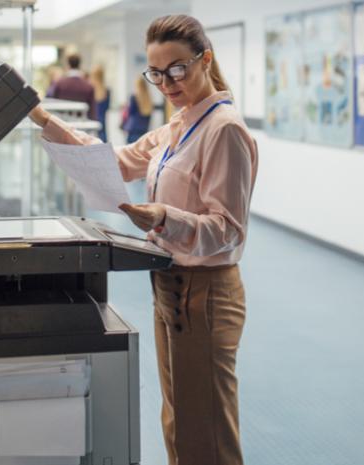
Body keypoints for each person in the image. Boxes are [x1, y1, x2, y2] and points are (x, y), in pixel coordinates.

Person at [27, 14, 257, 465]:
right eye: (156, 73)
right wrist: (41, 117)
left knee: (206, 434)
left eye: (177, 69)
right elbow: (112, 161)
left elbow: (227, 229)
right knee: (179, 422)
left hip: (205, 294)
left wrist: (164, 217)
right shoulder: (179, 125)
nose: (167, 83)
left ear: (204, 60)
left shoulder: (223, 129)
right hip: (170, 289)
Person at [47, 53, 97, 120]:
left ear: (68, 65)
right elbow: (92, 111)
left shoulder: (59, 84)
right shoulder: (88, 86)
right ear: (80, 65)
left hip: (63, 124)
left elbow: (54, 105)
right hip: (82, 125)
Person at [122, 75, 154, 143]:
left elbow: (130, 112)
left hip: (133, 129)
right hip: (144, 130)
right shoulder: (149, 99)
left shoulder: (134, 97)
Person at [90, 64, 111, 141]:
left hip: (92, 120)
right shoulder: (107, 91)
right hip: (102, 121)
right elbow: (107, 107)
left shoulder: (90, 90)